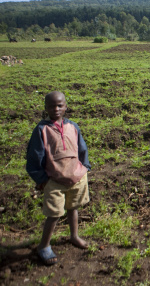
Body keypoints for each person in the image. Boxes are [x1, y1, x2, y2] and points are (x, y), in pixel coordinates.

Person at [26, 91, 91, 265]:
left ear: (65, 107)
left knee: (73, 207)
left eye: (59, 105)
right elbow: (34, 157)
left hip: (76, 177)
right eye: (51, 106)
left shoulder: (73, 127)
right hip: (54, 180)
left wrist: (85, 167)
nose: (56, 109)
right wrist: (42, 179)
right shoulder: (42, 130)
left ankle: (74, 236)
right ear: (46, 108)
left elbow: (81, 149)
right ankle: (44, 246)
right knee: (54, 214)